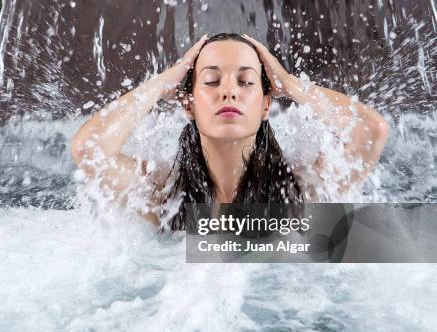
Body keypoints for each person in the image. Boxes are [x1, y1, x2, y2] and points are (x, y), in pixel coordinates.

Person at [70, 32, 390, 230]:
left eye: (246, 81)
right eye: (211, 81)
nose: (229, 92)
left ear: (266, 105)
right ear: (189, 105)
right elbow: (89, 150)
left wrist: (290, 84)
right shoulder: (164, 196)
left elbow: (371, 131)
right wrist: (161, 83)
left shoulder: (300, 190)